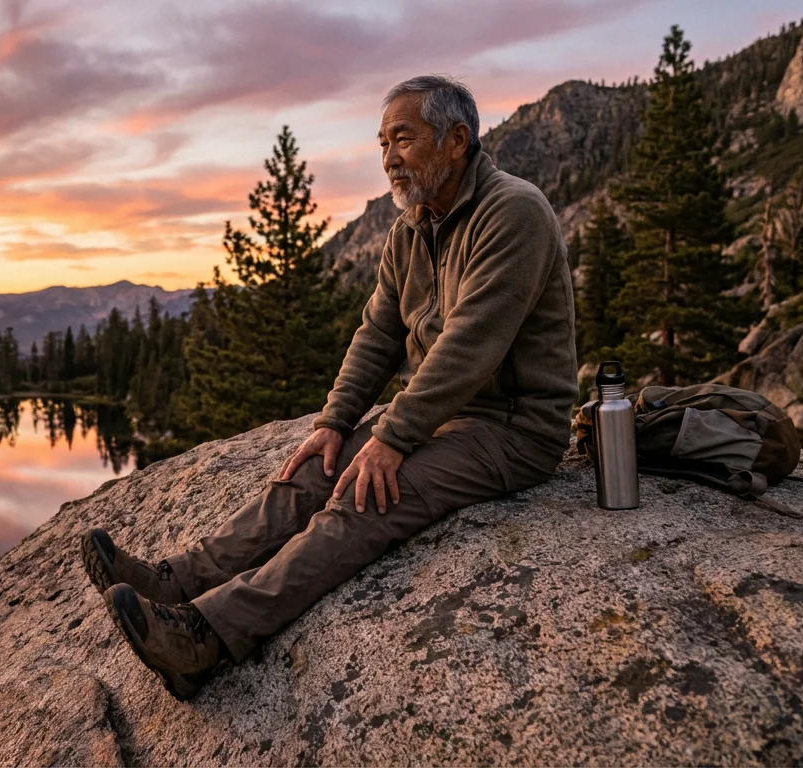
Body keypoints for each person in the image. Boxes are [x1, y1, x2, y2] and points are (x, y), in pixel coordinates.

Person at [79, 75, 578, 701]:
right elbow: (378, 333)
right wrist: (334, 424)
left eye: (403, 139)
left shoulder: (514, 212)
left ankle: (204, 637)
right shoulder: (412, 227)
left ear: (458, 140)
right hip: (441, 416)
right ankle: (175, 582)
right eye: (382, 143)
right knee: (311, 475)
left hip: (511, 429)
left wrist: (394, 435)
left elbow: (471, 346)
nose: (390, 157)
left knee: (366, 497)